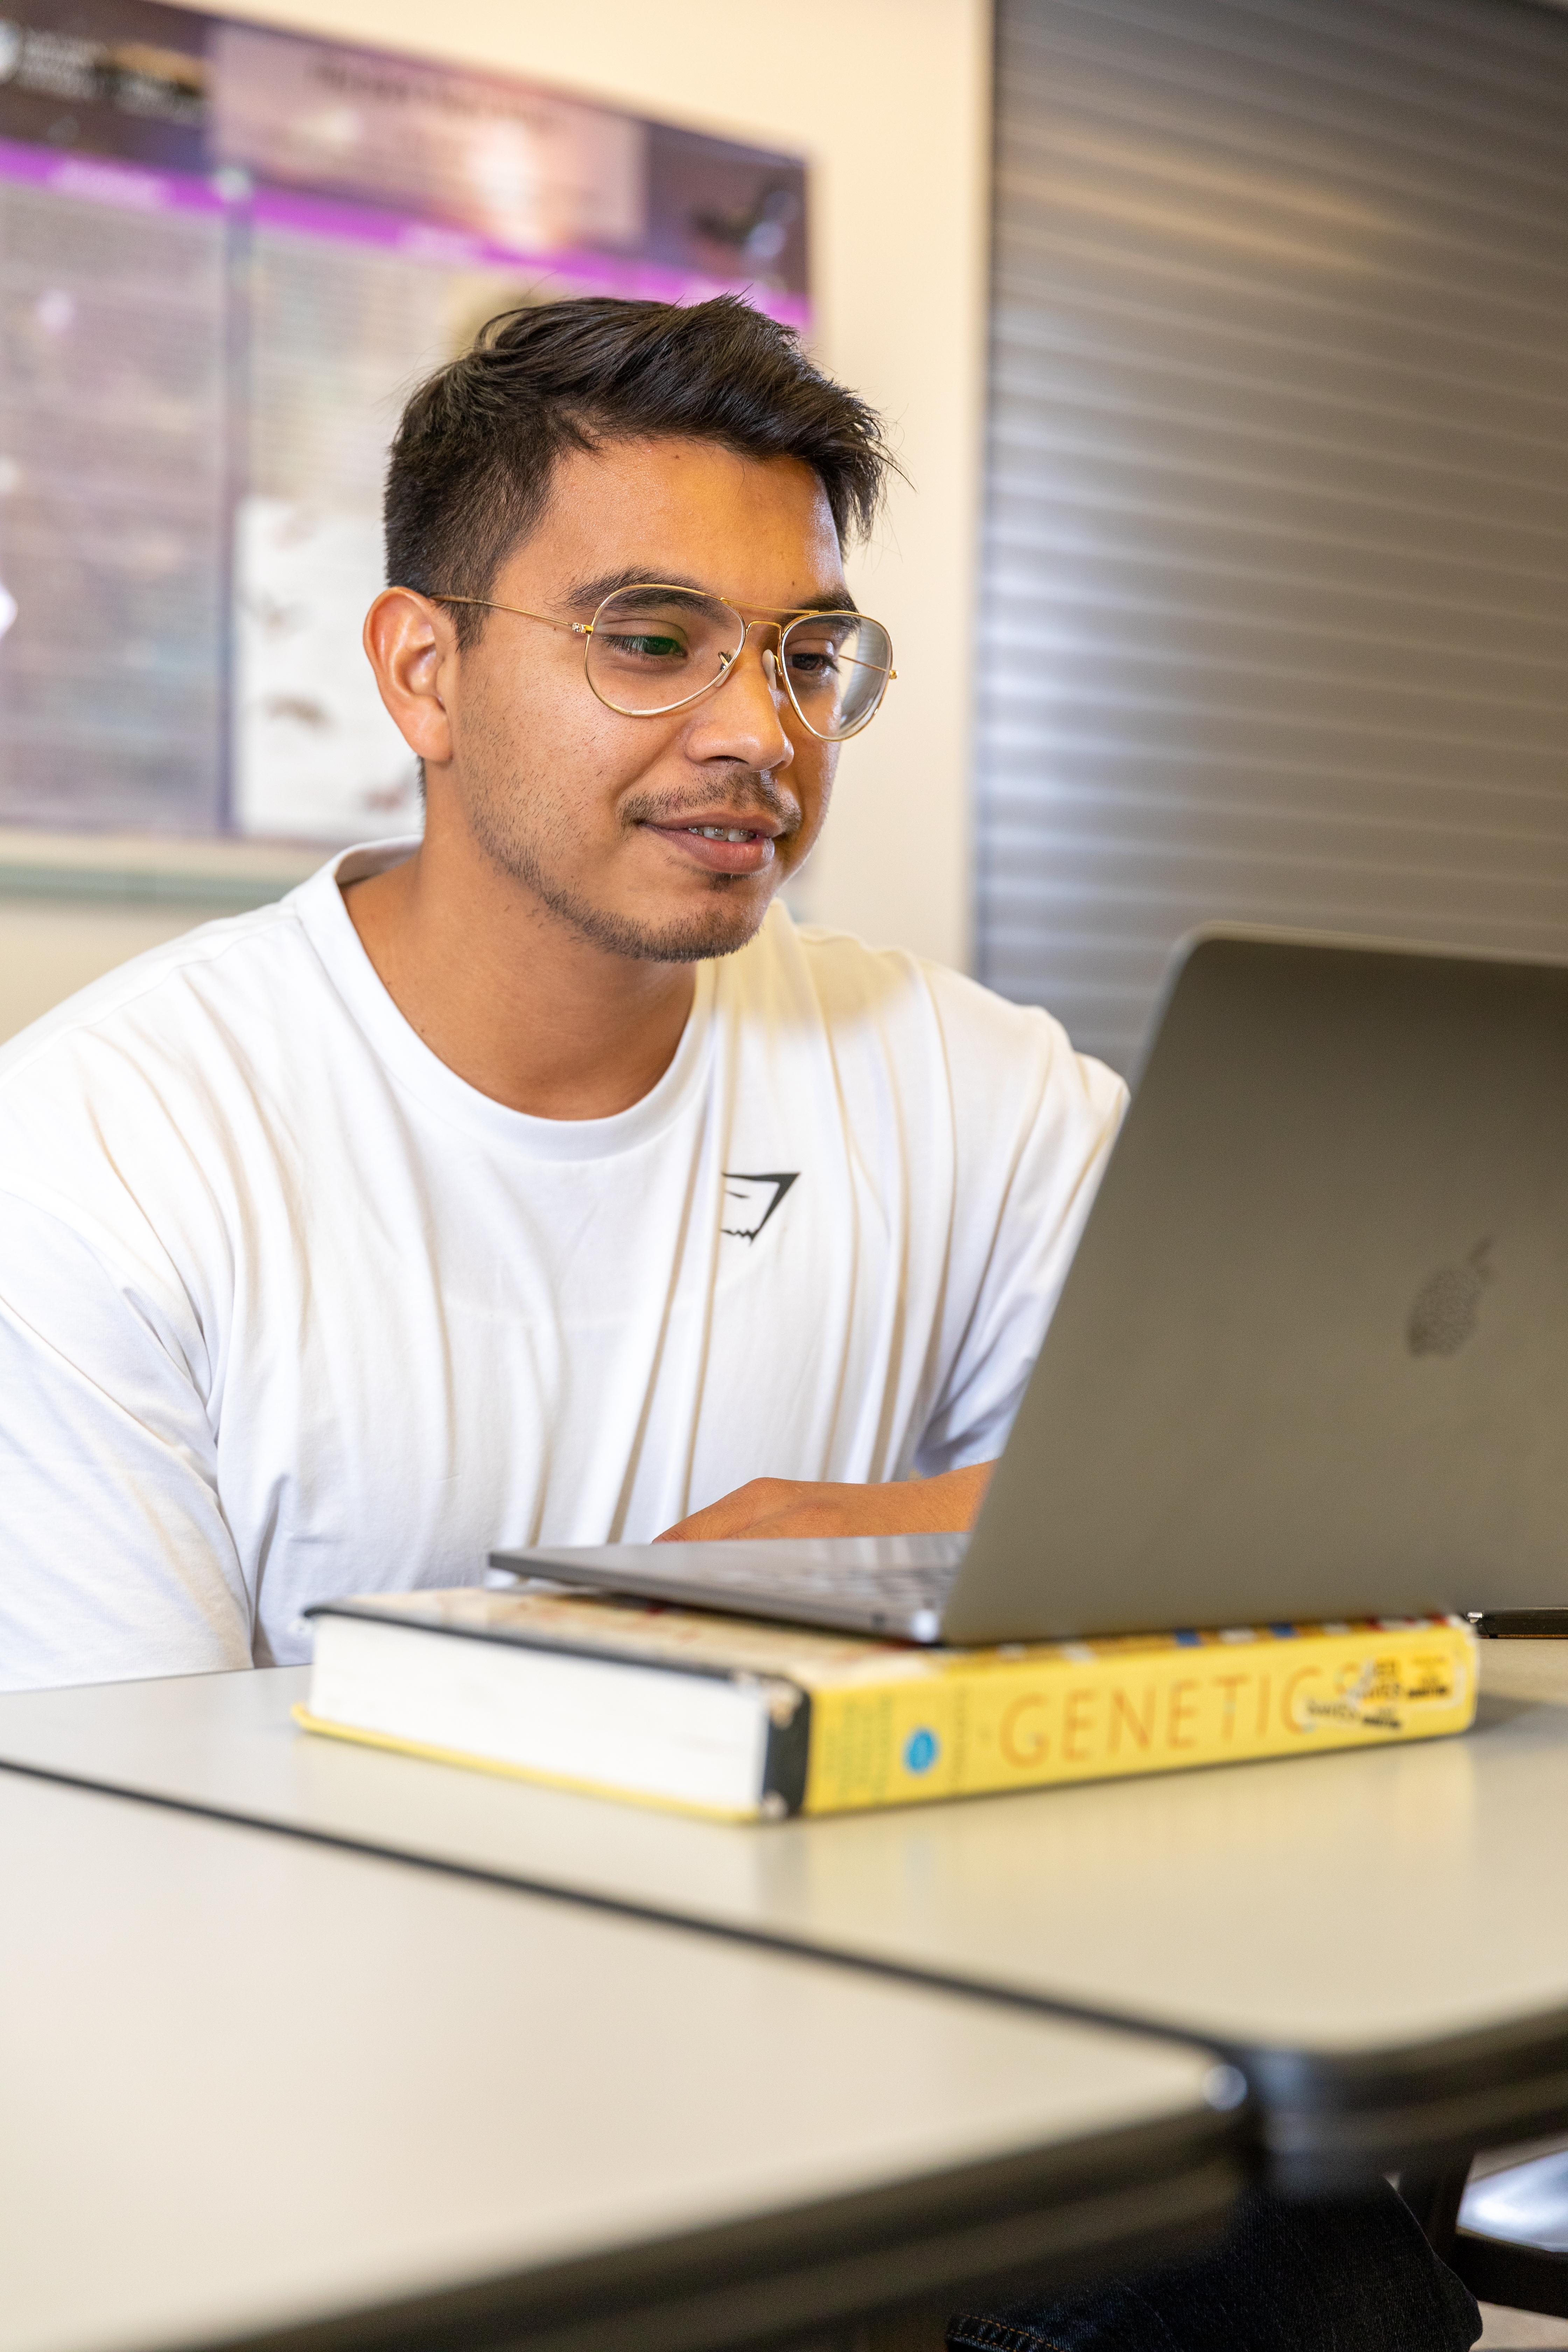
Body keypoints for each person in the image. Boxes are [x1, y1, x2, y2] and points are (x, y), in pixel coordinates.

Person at [0, 296, 1477, 2351]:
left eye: (804, 657)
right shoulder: (105, 1145)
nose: (756, 734)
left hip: (899, 2038)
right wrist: (642, 1630)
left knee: (1312, 2290)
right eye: (649, 639)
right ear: (420, 671)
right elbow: (116, 1877)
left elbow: (1245, 1506)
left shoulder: (957, 1076)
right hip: (360, 2104)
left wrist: (843, 1548)